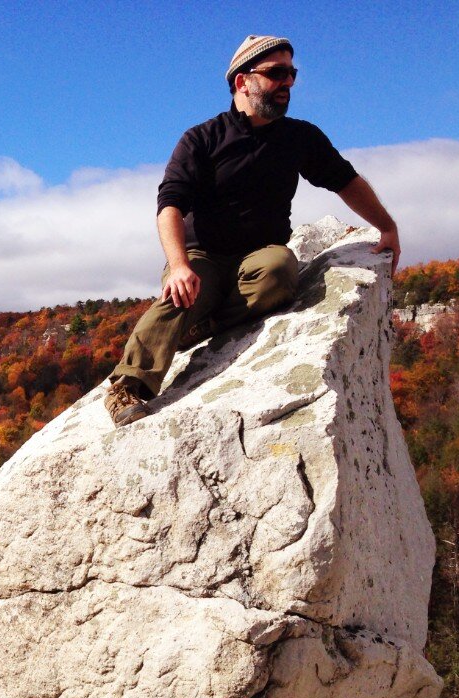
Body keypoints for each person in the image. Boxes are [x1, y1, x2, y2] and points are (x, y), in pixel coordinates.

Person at [104, 35, 400, 427]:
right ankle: (129, 386)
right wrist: (178, 265)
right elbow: (170, 205)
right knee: (182, 294)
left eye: (292, 74)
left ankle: (206, 326)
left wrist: (387, 226)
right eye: (277, 73)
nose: (288, 84)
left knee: (280, 269)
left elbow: (344, 180)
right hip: (202, 255)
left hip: (259, 257)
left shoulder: (300, 137)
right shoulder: (202, 139)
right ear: (243, 81)